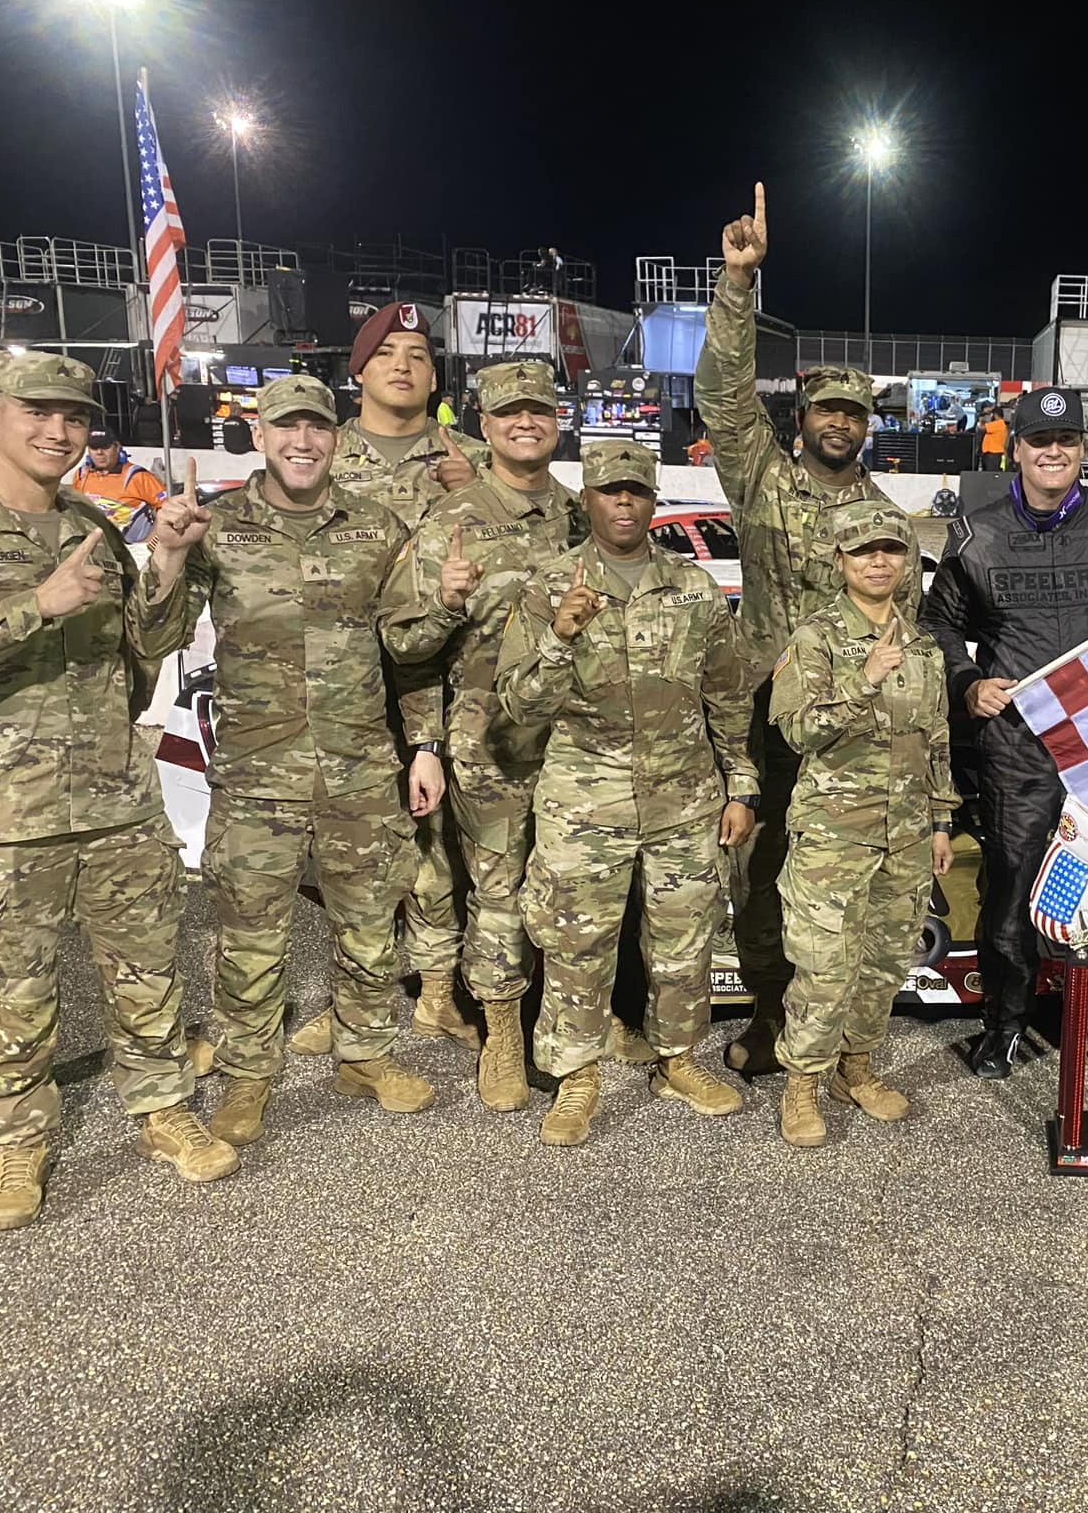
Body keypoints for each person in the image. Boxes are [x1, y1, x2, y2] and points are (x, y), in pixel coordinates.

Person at [0, 352, 236, 1230]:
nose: (59, 432)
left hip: (112, 796)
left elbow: (147, 653)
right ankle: (19, 1143)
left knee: (146, 972)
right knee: (9, 991)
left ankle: (162, 1110)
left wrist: (170, 562)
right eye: (40, 414)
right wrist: (39, 604)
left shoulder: (94, 527)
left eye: (74, 418)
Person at [134, 373, 441, 1145]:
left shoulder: (378, 526)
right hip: (256, 773)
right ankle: (249, 1075)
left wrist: (426, 745)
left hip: (360, 767)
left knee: (370, 926)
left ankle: (364, 1054)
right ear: (261, 437)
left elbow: (408, 650)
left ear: (334, 439)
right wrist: (167, 556)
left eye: (317, 429)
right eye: (286, 428)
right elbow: (155, 635)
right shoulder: (219, 525)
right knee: (250, 934)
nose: (303, 442)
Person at [694, 182, 918, 1080]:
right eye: (826, 409)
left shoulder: (884, 520)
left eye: (854, 413)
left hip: (847, 732)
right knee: (760, 875)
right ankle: (772, 1015)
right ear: (803, 419)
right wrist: (737, 285)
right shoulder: (764, 484)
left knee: (840, 886)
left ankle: (836, 1040)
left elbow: (906, 646)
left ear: (868, 428)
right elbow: (721, 398)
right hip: (763, 715)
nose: (839, 423)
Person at [496, 441, 756, 1141]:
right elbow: (516, 705)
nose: (623, 503)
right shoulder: (550, 587)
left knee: (683, 943)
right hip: (587, 800)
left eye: (636, 492)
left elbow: (728, 695)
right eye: (610, 491)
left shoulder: (693, 588)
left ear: (651, 501)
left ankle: (678, 1061)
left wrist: (743, 785)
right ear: (587, 498)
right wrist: (559, 636)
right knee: (577, 944)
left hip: (685, 800)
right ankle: (576, 1077)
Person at [920, 385, 1088, 1079]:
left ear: (1083, 449)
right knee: (1013, 892)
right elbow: (937, 625)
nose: (1053, 453)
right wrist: (968, 684)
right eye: (1038, 442)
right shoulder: (977, 530)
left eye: (1066, 442)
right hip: (1020, 749)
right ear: (1017, 451)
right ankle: (1004, 1024)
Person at [381, 360, 595, 1116]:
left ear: (557, 419)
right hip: (490, 742)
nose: (525, 422)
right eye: (509, 413)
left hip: (578, 745)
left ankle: (570, 1029)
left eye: (538, 409)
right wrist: (426, 745)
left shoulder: (585, 517)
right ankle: (503, 1031)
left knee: (578, 893)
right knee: (498, 893)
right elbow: (406, 645)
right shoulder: (453, 520)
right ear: (485, 423)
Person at [310, 302, 482, 1056]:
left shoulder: (467, 455)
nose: (404, 365)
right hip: (349, 680)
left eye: (418, 352)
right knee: (351, 849)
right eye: (387, 353)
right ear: (359, 370)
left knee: (440, 843)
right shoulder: (322, 457)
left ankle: (439, 993)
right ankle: (357, 994)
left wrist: (475, 491)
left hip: (452, 674)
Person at [768, 501, 958, 1147]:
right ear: (841, 560)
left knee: (882, 964)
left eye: (891, 549)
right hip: (833, 837)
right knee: (824, 968)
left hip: (904, 836)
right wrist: (865, 679)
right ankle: (802, 1085)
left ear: (906, 561)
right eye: (864, 550)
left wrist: (939, 821)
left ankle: (858, 1068)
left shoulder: (923, 644)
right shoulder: (816, 638)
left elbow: (936, 737)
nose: (879, 561)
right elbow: (797, 731)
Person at [72, 425, 167, 538]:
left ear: (117, 447)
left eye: (105, 447)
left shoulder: (138, 476)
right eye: (94, 447)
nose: (99, 452)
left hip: (133, 547)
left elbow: (166, 508)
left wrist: (150, 540)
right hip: (94, 544)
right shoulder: (81, 475)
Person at [979, 405, 1008, 471]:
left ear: (995, 415)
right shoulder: (999, 424)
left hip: (993, 454)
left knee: (990, 475)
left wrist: (982, 420)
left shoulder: (998, 424)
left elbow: (982, 428)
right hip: (992, 454)